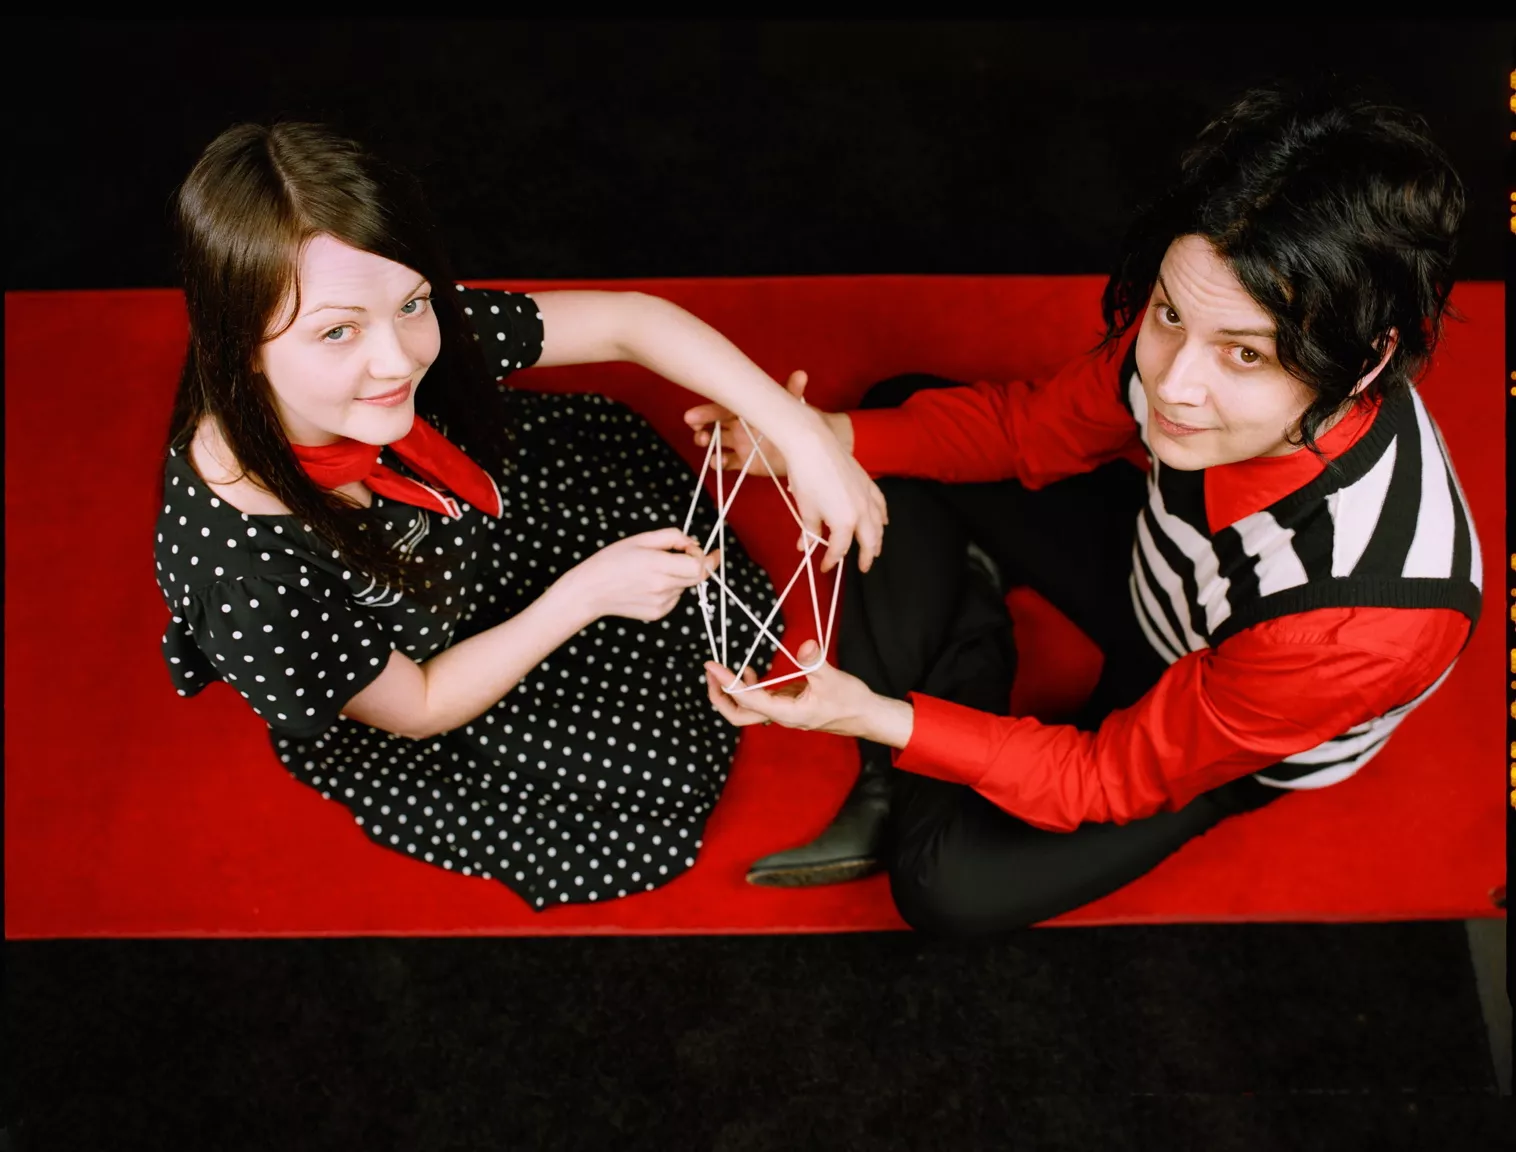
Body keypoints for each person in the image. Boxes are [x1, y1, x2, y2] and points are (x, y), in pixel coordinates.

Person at [690, 81, 1482, 934]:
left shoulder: (1360, 623)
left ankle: (931, 695)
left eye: (1246, 355)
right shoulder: (1200, 326)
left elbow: (1104, 778)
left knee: (944, 886)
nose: (1173, 384)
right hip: (1155, 567)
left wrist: (877, 717)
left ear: (1365, 364)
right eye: (1169, 313)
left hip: (1230, 712)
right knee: (881, 426)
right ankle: (935, 682)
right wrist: (811, 438)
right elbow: (1028, 428)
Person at [153, 121, 885, 911]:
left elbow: (629, 322)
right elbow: (420, 706)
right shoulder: (247, 579)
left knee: (633, 494)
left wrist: (803, 435)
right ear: (240, 342)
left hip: (480, 532)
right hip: (429, 659)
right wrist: (586, 594)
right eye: (338, 331)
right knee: (653, 778)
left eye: (413, 302)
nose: (399, 360)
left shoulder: (401, 340)